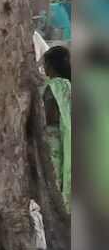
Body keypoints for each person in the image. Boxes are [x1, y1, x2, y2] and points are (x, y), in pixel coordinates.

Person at [42, 45, 71, 207]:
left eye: (46, 64)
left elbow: (50, 115)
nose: (45, 69)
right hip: (66, 138)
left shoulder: (55, 86)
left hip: (53, 141)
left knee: (54, 177)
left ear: (52, 65)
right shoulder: (71, 85)